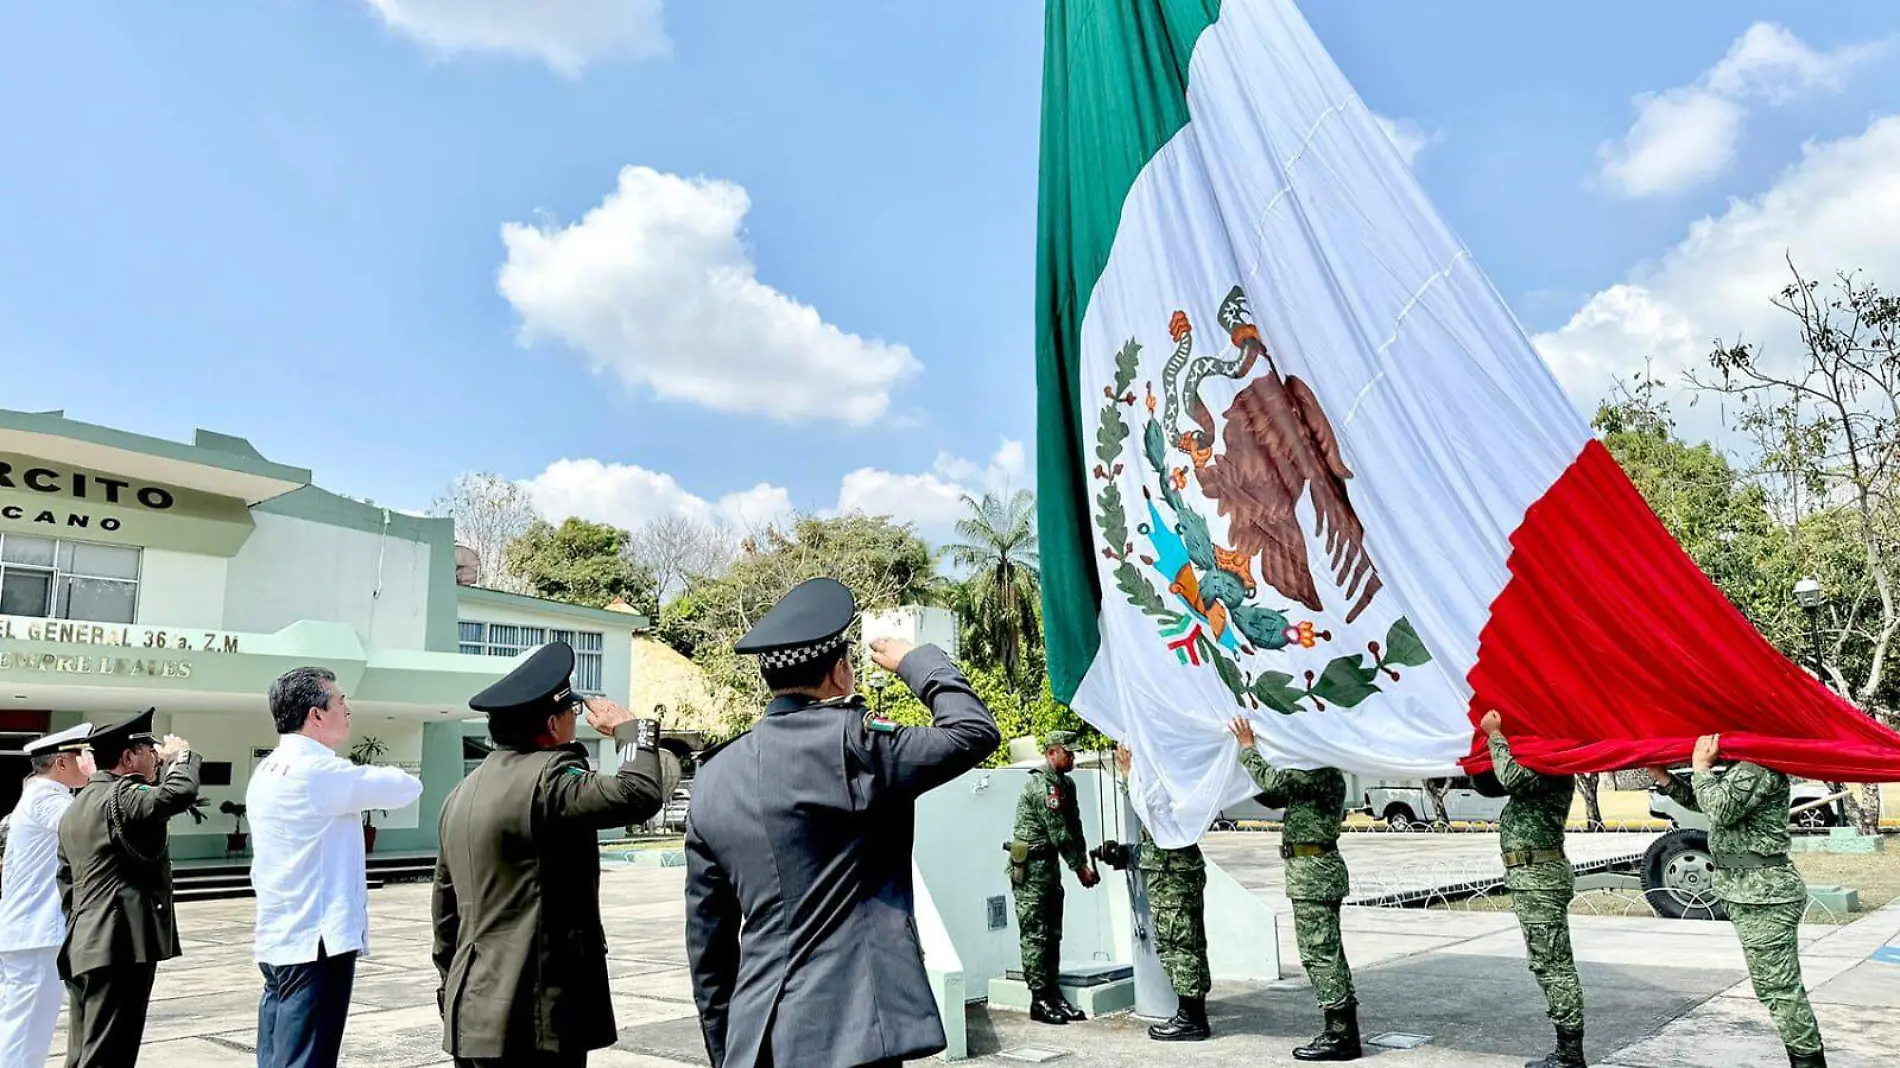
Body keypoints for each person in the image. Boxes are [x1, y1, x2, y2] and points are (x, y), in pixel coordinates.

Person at [684, 577, 1001, 1068]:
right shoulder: (857, 745)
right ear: (839, 673)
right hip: (856, 1036)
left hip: (759, 1039)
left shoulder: (712, 777)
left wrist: (727, 1048)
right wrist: (918, 659)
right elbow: (973, 730)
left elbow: (708, 940)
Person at [432, 641, 665, 1068]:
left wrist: (452, 990)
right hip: (533, 1016)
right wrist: (634, 731)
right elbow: (639, 793)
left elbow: (445, 915)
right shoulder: (550, 779)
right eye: (572, 713)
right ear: (553, 722)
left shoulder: (460, 795)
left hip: (473, 1011)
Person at [249, 666, 426, 1068]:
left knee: (277, 1056)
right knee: (306, 1060)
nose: (348, 710)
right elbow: (406, 788)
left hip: (282, 935)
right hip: (316, 942)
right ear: (315, 715)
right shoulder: (318, 771)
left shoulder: (269, 769)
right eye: (341, 701)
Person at [1649, 738, 1825, 1068]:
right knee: (1773, 989)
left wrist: (1701, 767)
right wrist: (1664, 777)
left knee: (1780, 991)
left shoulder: (1756, 768)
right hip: (1747, 891)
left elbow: (1720, 808)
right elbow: (1706, 801)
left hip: (1764, 895)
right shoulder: (1742, 768)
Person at [57, 709, 202, 1068]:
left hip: (85, 941)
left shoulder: (79, 805)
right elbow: (177, 793)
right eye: (149, 750)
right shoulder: (122, 795)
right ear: (128, 757)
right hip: (117, 944)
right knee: (109, 1054)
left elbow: (66, 882)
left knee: (83, 1053)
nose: (156, 756)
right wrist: (181, 758)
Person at [1230, 716, 1360, 1062]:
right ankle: (1343, 1031)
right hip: (1312, 870)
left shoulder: (1320, 773)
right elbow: (1272, 796)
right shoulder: (1316, 774)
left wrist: (1248, 748)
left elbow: (1274, 782)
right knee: (1327, 952)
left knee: (1319, 953)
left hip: (1314, 872)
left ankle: (1340, 1036)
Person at [1480, 711, 1587, 1068]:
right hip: (1533, 875)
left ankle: (1570, 1053)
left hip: (1539, 876)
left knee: (1553, 964)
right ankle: (1567, 1048)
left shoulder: (1552, 763)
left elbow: (1509, 776)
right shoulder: (1543, 764)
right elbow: (1492, 782)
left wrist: (1495, 735)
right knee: (1548, 962)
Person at [0, 723, 93, 1067]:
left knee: (19, 1027)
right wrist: (101, 780)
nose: (88, 763)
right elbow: (93, 828)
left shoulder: (43, 794)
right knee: (26, 1034)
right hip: (34, 936)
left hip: (29, 934)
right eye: (82, 756)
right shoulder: (47, 798)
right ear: (61, 764)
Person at [1113, 744, 1211, 1041]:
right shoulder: (1182, 777)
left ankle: (1192, 1018)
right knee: (1186, 942)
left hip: (1171, 870)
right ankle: (1192, 1013)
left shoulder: (1170, 781)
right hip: (1176, 868)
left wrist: (1129, 774)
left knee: (1178, 942)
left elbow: (1153, 808)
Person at [1011, 729, 1101, 1026]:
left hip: (1049, 869)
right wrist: (1080, 869)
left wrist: (1084, 861)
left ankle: (1053, 993)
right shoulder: (1041, 787)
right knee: (1036, 935)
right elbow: (1059, 834)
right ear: (1051, 753)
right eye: (1068, 752)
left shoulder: (1066, 784)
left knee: (1053, 935)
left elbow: (1074, 826)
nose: (1073, 757)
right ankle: (1039, 999)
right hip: (1031, 871)